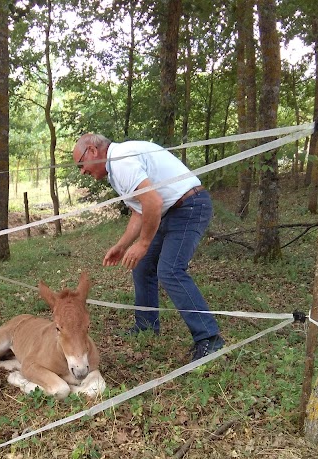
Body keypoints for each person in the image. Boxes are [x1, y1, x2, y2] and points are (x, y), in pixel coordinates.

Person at [72, 133, 224, 361]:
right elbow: (140, 210)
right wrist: (123, 246)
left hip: (189, 207)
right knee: (143, 266)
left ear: (93, 151)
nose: (82, 171)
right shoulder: (116, 169)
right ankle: (146, 326)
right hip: (170, 211)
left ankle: (210, 339)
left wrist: (143, 244)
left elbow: (153, 202)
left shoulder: (121, 159)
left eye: (81, 164)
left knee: (170, 270)